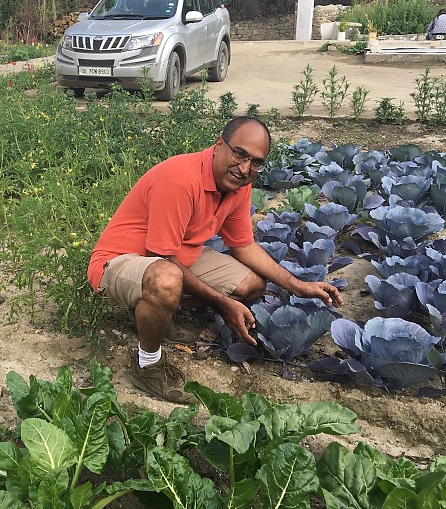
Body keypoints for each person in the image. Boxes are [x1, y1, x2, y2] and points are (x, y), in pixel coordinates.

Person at [87, 117, 343, 404]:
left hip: (177, 257)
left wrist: (298, 285)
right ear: (219, 145)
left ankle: (158, 313)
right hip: (121, 261)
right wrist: (223, 304)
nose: (245, 168)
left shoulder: (237, 184)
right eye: (240, 154)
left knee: (252, 285)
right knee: (166, 281)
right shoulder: (180, 179)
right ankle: (148, 364)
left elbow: (244, 246)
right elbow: (163, 259)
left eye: (256, 162)